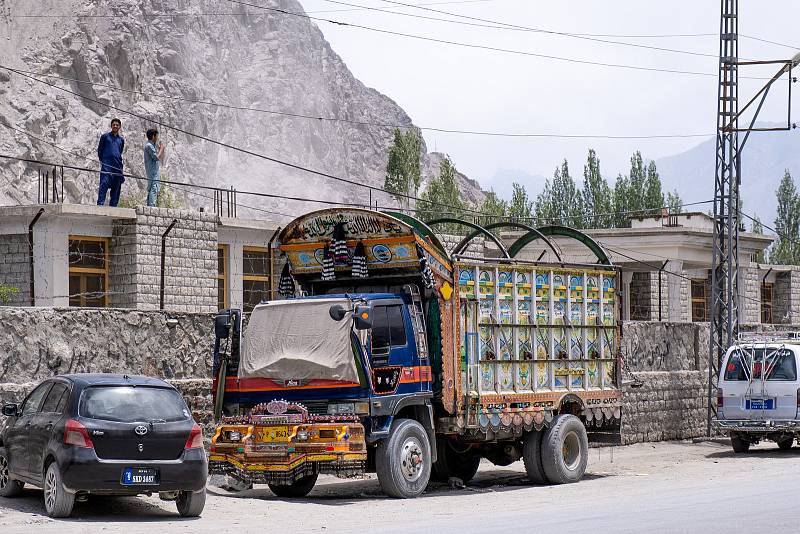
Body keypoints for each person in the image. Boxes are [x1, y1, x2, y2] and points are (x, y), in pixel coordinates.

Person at [96, 118, 125, 207]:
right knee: (104, 184)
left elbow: (120, 152)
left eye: (117, 125)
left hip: (117, 167)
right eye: (114, 124)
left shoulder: (121, 140)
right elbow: (100, 150)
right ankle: (100, 204)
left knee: (116, 188)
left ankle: (113, 207)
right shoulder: (105, 137)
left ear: (119, 127)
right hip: (107, 166)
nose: (115, 126)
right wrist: (104, 161)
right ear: (111, 126)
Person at [144, 128, 165, 207]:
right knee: (154, 187)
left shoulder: (150, 145)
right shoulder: (149, 146)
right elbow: (156, 157)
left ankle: (150, 205)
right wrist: (162, 149)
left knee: (152, 187)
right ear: (153, 136)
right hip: (152, 171)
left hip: (153, 170)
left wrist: (160, 150)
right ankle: (151, 205)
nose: (157, 138)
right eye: (156, 136)